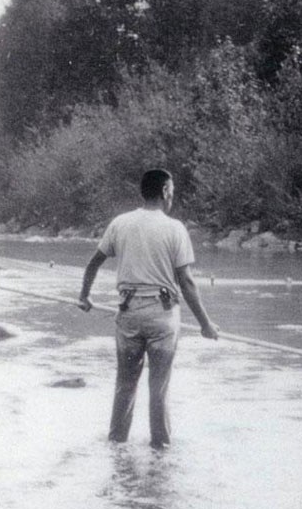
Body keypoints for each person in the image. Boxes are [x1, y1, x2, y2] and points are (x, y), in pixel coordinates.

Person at [78, 168, 218, 449]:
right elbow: (186, 282)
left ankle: (116, 447)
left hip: (128, 314)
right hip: (163, 317)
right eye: (172, 192)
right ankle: (161, 452)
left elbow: (93, 263)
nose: (172, 198)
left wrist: (84, 296)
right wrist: (205, 324)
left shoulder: (120, 223)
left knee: (125, 386)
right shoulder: (175, 228)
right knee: (159, 390)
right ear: (165, 191)